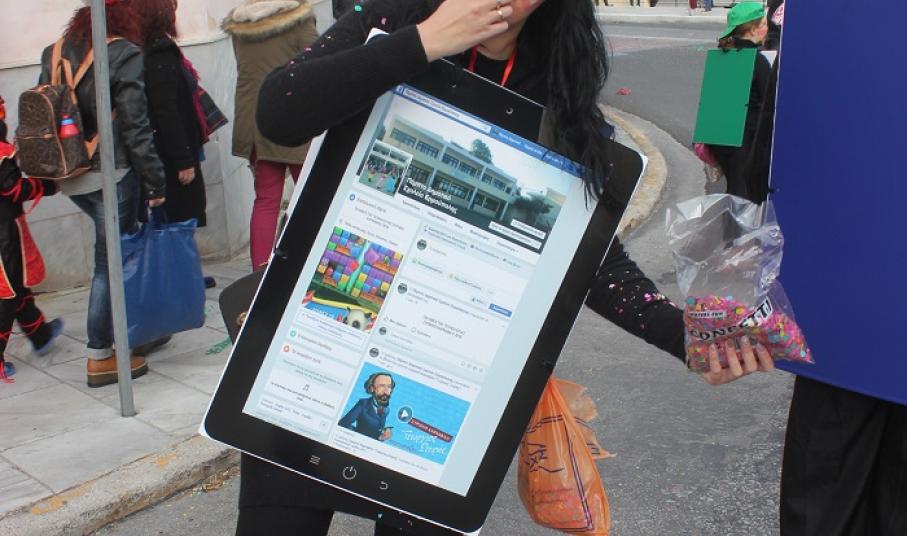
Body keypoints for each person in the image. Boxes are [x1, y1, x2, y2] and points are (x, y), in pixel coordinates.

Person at [238, 1, 776, 534]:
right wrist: (426, 40)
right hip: (311, 365)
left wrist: (685, 337)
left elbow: (587, 253)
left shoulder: (558, 81)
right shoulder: (393, 19)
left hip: (440, 383)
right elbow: (280, 110)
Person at [39, 0, 166, 388]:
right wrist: (155, 180)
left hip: (70, 174)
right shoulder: (123, 53)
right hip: (112, 172)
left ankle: (130, 334)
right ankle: (99, 355)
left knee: (112, 256)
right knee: (108, 262)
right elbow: (135, 124)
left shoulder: (54, 52)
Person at [221, 0, 320, 270]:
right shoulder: (298, 20)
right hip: (293, 117)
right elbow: (318, 63)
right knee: (311, 197)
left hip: (255, 119)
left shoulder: (241, 25)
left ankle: (259, 272)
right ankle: (311, 265)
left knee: (266, 199)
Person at [132, 0, 215, 291]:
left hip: (162, 150)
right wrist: (183, 160)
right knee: (178, 221)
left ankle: (185, 274)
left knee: (174, 221)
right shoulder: (159, 53)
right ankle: (182, 279)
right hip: (170, 153)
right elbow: (167, 110)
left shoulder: (144, 50)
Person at [0, 98, 65, 383]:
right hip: (3, 232)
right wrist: (45, 185)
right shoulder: (1, 152)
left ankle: (40, 334)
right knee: (7, 293)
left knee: (17, 284)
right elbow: (12, 189)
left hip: (8, 228)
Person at [705, 2, 772, 203]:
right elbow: (770, 102)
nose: (767, 28)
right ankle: (738, 223)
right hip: (746, 138)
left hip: (720, 137)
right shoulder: (758, 61)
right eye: (763, 24)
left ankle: (733, 220)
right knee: (746, 195)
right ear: (752, 29)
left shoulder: (721, 55)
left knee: (735, 187)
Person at [338, 372, 395, 441]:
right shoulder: (363, 404)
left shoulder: (386, 409)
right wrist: (356, 436)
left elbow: (376, 430)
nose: (386, 391)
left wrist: (382, 435)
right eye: (382, 386)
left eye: (389, 386)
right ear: (372, 388)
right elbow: (343, 424)